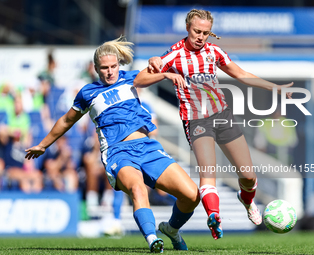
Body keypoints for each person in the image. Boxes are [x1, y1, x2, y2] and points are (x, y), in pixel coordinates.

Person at [25, 36, 200, 253]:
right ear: (96, 69)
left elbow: (155, 70)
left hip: (147, 148)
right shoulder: (87, 93)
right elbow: (66, 120)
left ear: (119, 65)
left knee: (192, 195)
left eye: (114, 66)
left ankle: (171, 229)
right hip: (118, 153)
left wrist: (163, 69)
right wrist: (43, 144)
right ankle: (152, 238)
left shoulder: (131, 79)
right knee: (137, 188)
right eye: (105, 68)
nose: (110, 71)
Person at [134, 9, 294, 240]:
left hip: (222, 116)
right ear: (188, 28)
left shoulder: (214, 51)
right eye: (196, 31)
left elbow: (241, 74)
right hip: (196, 120)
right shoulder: (173, 55)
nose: (200, 36)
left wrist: (274, 87)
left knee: (248, 176)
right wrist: (165, 75)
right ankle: (214, 216)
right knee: (208, 173)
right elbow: (140, 80)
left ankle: (246, 200)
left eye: (205, 33)